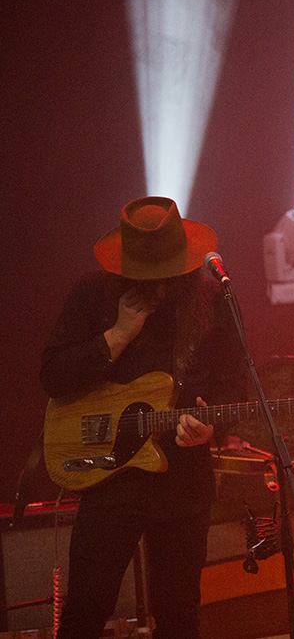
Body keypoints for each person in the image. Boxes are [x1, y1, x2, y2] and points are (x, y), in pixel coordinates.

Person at [41, 196, 245, 638]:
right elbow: (53, 376)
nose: (158, 284)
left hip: (183, 482)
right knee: (86, 611)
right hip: (111, 481)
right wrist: (114, 337)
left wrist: (211, 426)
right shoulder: (93, 294)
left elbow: (235, 387)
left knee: (179, 614)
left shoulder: (213, 299)